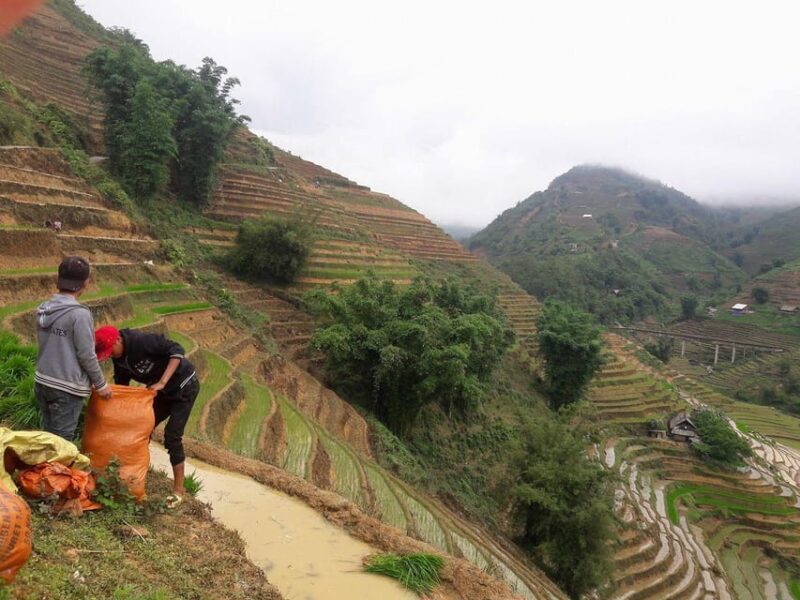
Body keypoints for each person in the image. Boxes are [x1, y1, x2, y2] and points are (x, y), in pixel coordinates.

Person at [94, 325, 198, 507]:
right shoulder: (119, 358)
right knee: (143, 428)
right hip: (160, 392)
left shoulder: (142, 342)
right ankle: (134, 473)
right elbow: (123, 385)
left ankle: (178, 490)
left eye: (110, 351)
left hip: (184, 387)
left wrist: (162, 382)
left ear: (118, 340)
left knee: (172, 436)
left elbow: (177, 351)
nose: (110, 355)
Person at [34, 256, 112, 441]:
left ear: (58, 279)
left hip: (43, 381)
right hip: (66, 387)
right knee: (62, 443)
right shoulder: (79, 314)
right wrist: (101, 384)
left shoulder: (44, 308)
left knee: (48, 437)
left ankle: (40, 469)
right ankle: (53, 470)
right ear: (85, 283)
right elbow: (86, 355)